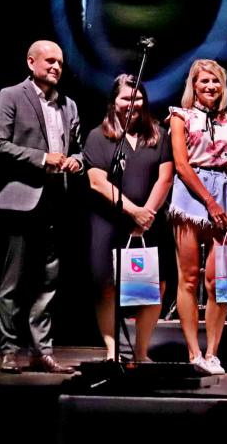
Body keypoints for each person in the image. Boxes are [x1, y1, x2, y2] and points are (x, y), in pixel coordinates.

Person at [0, 40, 83, 374]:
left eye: (60, 63)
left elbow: (78, 148)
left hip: (55, 202)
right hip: (20, 201)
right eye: (50, 61)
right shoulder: (11, 95)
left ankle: (43, 352)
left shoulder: (68, 105)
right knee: (13, 283)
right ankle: (10, 350)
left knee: (48, 281)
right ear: (31, 62)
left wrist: (77, 161)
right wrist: (42, 158)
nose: (56, 67)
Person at [84, 75, 174, 362]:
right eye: (126, 98)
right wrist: (133, 210)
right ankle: (113, 352)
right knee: (107, 287)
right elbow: (97, 181)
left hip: (150, 223)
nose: (133, 103)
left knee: (154, 287)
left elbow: (165, 178)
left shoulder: (159, 135)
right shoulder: (98, 136)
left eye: (138, 98)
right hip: (109, 223)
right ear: (114, 102)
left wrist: (146, 213)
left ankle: (141, 352)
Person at [167, 59, 227, 375]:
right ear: (194, 85)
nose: (210, 86)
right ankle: (193, 352)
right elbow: (181, 164)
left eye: (215, 81)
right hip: (191, 192)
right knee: (188, 277)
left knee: (218, 280)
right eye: (204, 81)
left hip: (224, 191)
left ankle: (212, 351)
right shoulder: (180, 116)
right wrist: (209, 201)